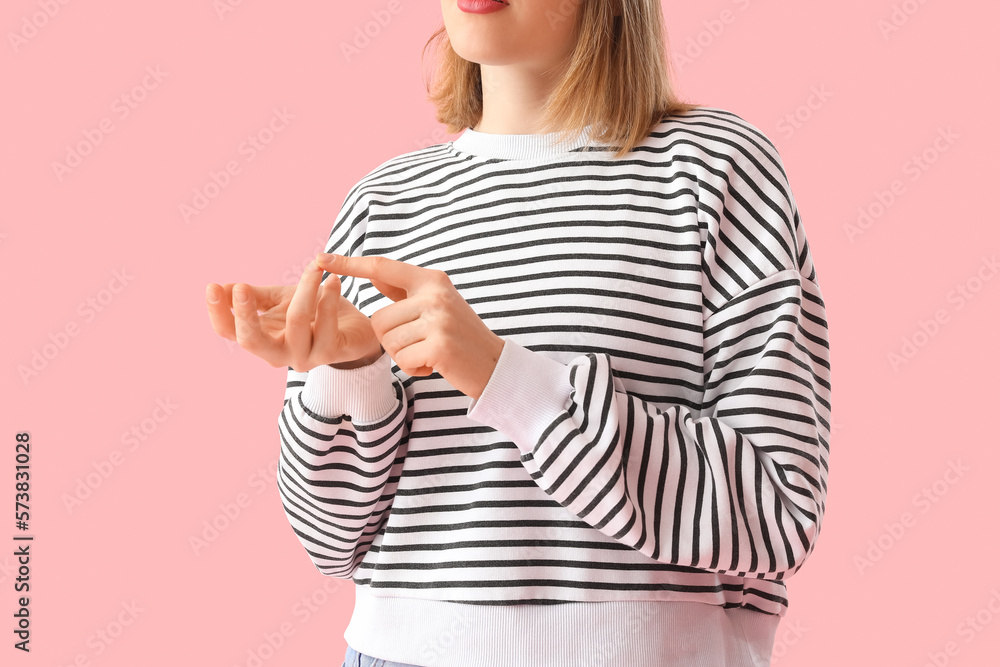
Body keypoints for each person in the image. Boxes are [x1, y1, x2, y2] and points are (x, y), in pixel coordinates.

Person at [205, 1, 832, 665]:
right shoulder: (382, 202)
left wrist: (505, 377)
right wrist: (351, 373)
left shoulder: (712, 170)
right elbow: (329, 539)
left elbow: (778, 506)